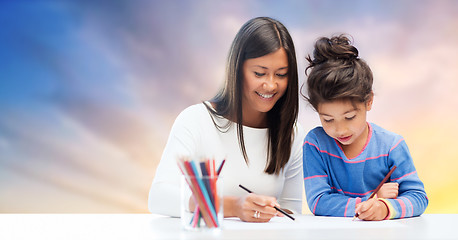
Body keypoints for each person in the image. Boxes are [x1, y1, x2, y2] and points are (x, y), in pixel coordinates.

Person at [148, 17, 304, 222]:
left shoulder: (292, 133)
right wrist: (232, 206)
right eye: (259, 73)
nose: (271, 85)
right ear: (237, 70)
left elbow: (291, 212)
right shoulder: (196, 120)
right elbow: (159, 197)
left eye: (281, 74)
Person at [301, 34, 428, 220]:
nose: (341, 129)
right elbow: (318, 201)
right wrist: (369, 201)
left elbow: (418, 198)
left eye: (350, 117)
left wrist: (385, 207)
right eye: (328, 119)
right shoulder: (316, 144)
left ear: (368, 102)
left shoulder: (391, 145)